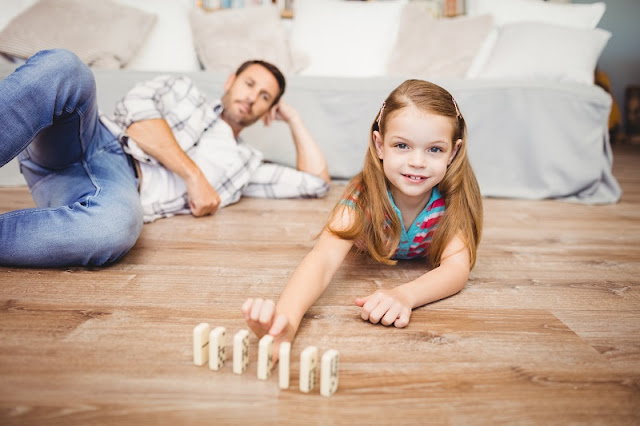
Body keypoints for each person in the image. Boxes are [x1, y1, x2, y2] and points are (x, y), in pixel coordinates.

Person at [0, 49, 330, 267]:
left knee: (116, 228)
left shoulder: (247, 165)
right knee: (66, 67)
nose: (252, 98)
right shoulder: (182, 89)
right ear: (230, 81)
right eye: (250, 83)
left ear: (267, 111)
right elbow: (137, 118)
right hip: (92, 139)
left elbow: (316, 183)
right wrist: (194, 177)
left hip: (114, 192)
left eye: (265, 97)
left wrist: (294, 119)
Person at [242, 79, 483, 359]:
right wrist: (286, 320)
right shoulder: (362, 198)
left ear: (453, 152)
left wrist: (405, 295)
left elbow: (456, 269)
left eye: (434, 150)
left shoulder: (451, 198)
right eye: (402, 145)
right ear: (379, 145)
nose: (417, 161)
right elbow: (323, 260)